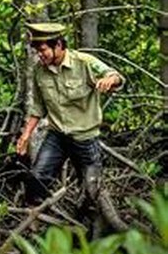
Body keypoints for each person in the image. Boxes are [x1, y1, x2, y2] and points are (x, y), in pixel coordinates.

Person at [16, 22, 124, 210]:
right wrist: (25, 136)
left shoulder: (83, 62)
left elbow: (115, 76)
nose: (40, 56)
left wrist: (109, 80)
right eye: (37, 51)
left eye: (43, 50)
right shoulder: (40, 71)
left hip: (85, 138)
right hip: (57, 135)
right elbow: (38, 107)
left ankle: (85, 224)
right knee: (37, 179)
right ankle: (38, 222)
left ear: (58, 45)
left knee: (91, 190)